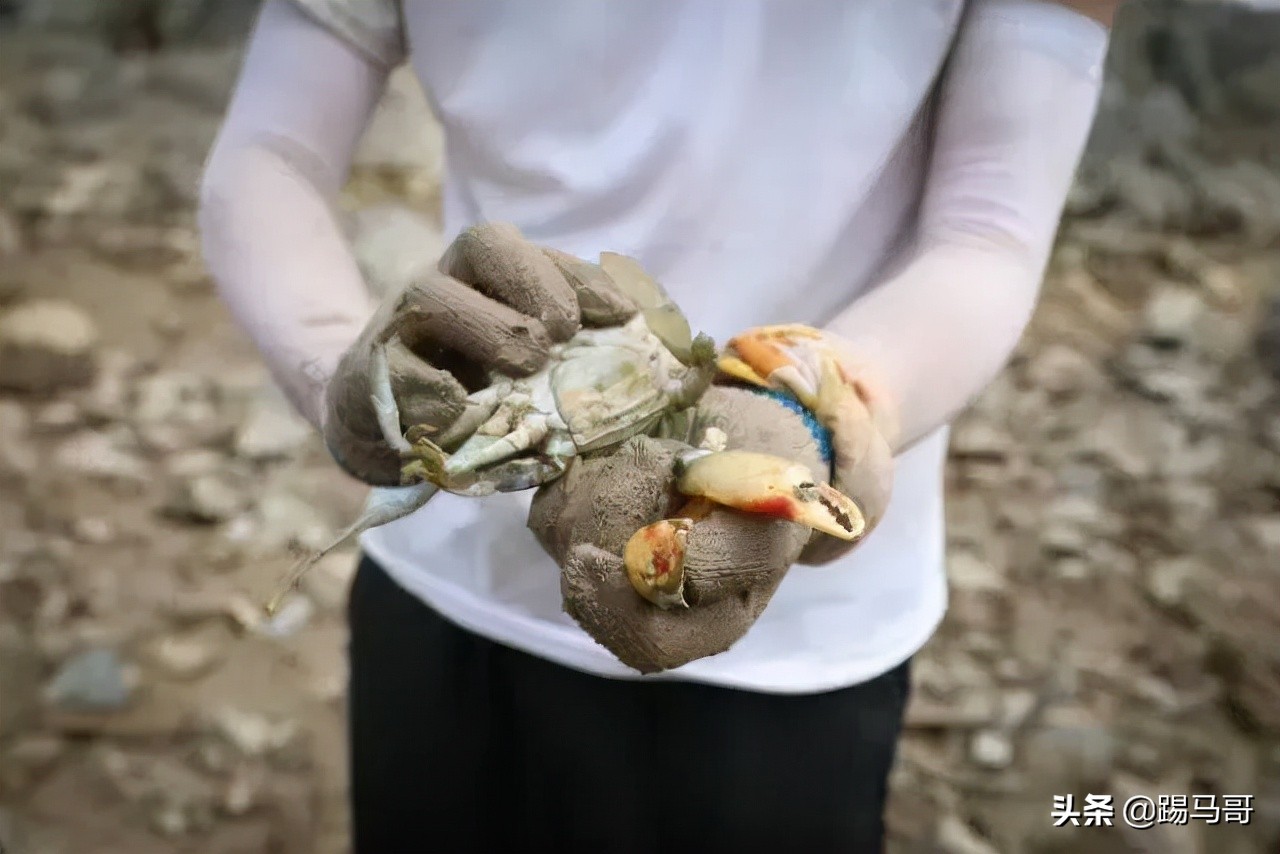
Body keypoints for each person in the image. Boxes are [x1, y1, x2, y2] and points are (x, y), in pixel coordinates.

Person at [199, 1, 1121, 850]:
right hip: (453, 554)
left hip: (792, 642)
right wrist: (340, 375)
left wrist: (819, 403)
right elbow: (266, 157)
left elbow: (989, 229)